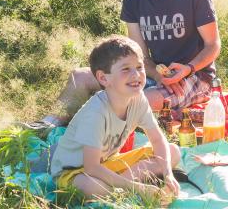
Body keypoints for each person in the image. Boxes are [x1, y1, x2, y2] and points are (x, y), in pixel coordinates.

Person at [46, 0, 221, 125]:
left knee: (140, 101)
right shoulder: (133, 0)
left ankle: (86, 123)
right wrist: (157, 75)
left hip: (196, 76)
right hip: (156, 74)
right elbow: (140, 56)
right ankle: (46, 126)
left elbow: (213, 45)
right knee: (80, 77)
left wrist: (188, 69)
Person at [49, 35, 181, 201]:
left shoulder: (138, 98)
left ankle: (121, 186)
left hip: (108, 163)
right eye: (126, 69)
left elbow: (157, 140)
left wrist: (168, 174)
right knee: (94, 188)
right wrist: (138, 187)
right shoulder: (95, 113)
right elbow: (91, 167)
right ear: (104, 78)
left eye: (139, 67)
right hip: (75, 172)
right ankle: (127, 186)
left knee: (172, 152)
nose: (136, 75)